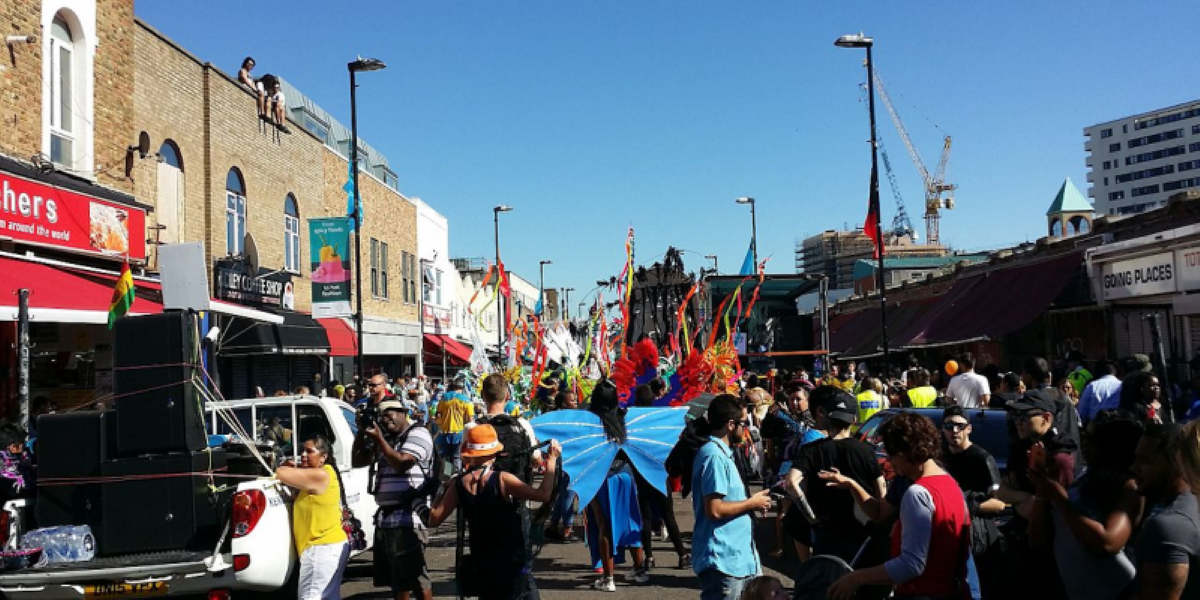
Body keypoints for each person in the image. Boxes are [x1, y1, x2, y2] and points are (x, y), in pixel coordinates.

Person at [828, 412, 971, 600]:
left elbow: (911, 564)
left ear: (903, 453)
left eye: (891, 455)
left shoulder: (917, 493)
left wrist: (856, 578)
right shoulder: (950, 483)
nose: (889, 462)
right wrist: (853, 485)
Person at [428, 425, 562, 600]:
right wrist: (551, 460)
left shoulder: (458, 484)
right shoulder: (502, 479)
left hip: (481, 559)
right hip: (510, 559)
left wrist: (441, 490)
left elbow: (434, 519)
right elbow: (543, 495)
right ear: (494, 453)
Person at [1030, 410, 1142, 600]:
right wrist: (1042, 490)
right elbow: (1039, 541)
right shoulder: (1084, 478)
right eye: (1084, 435)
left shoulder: (1130, 487)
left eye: (1091, 438)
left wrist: (1058, 496)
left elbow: (1108, 542)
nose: (1084, 443)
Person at [782, 387, 884, 562]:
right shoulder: (866, 452)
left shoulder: (811, 451)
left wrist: (811, 517)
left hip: (826, 536)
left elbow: (791, 482)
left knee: (829, 584)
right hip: (862, 536)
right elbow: (882, 495)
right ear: (854, 420)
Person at [352, 399, 435, 600]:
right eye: (382, 414)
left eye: (390, 412)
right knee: (397, 581)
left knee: (417, 578)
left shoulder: (418, 433)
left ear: (403, 412)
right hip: (387, 519)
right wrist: (362, 433)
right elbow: (358, 461)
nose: (385, 417)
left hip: (409, 517)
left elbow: (403, 463)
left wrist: (380, 440)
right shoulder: (387, 438)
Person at [692, 394, 771, 600]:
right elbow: (715, 509)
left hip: (738, 558)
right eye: (743, 424)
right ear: (730, 424)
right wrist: (751, 503)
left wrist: (752, 502)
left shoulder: (723, 453)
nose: (745, 430)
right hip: (724, 561)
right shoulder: (714, 456)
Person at [940, 405, 1005, 597]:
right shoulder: (939, 458)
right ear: (942, 429)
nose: (954, 431)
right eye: (949, 426)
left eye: (959, 426)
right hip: (947, 535)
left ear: (969, 428)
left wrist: (967, 506)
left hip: (978, 539)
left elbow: (999, 503)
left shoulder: (982, 458)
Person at [275, 436, 349, 600]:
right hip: (326, 548)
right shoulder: (318, 475)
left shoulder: (321, 475)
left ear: (323, 457)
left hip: (321, 549)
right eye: (302, 451)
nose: (303, 455)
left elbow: (280, 473)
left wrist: (288, 467)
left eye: (309, 451)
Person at [1133, 422, 1200, 599]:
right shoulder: (1164, 506)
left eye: (1145, 461)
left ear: (1176, 462)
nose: (1134, 468)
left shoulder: (1169, 526)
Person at [433, 381, 474, 475]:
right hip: (459, 433)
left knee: (446, 457)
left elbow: (438, 414)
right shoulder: (465, 400)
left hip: (445, 432)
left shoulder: (444, 397)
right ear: (461, 389)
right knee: (457, 457)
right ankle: (456, 477)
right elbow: (470, 419)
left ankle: (447, 477)